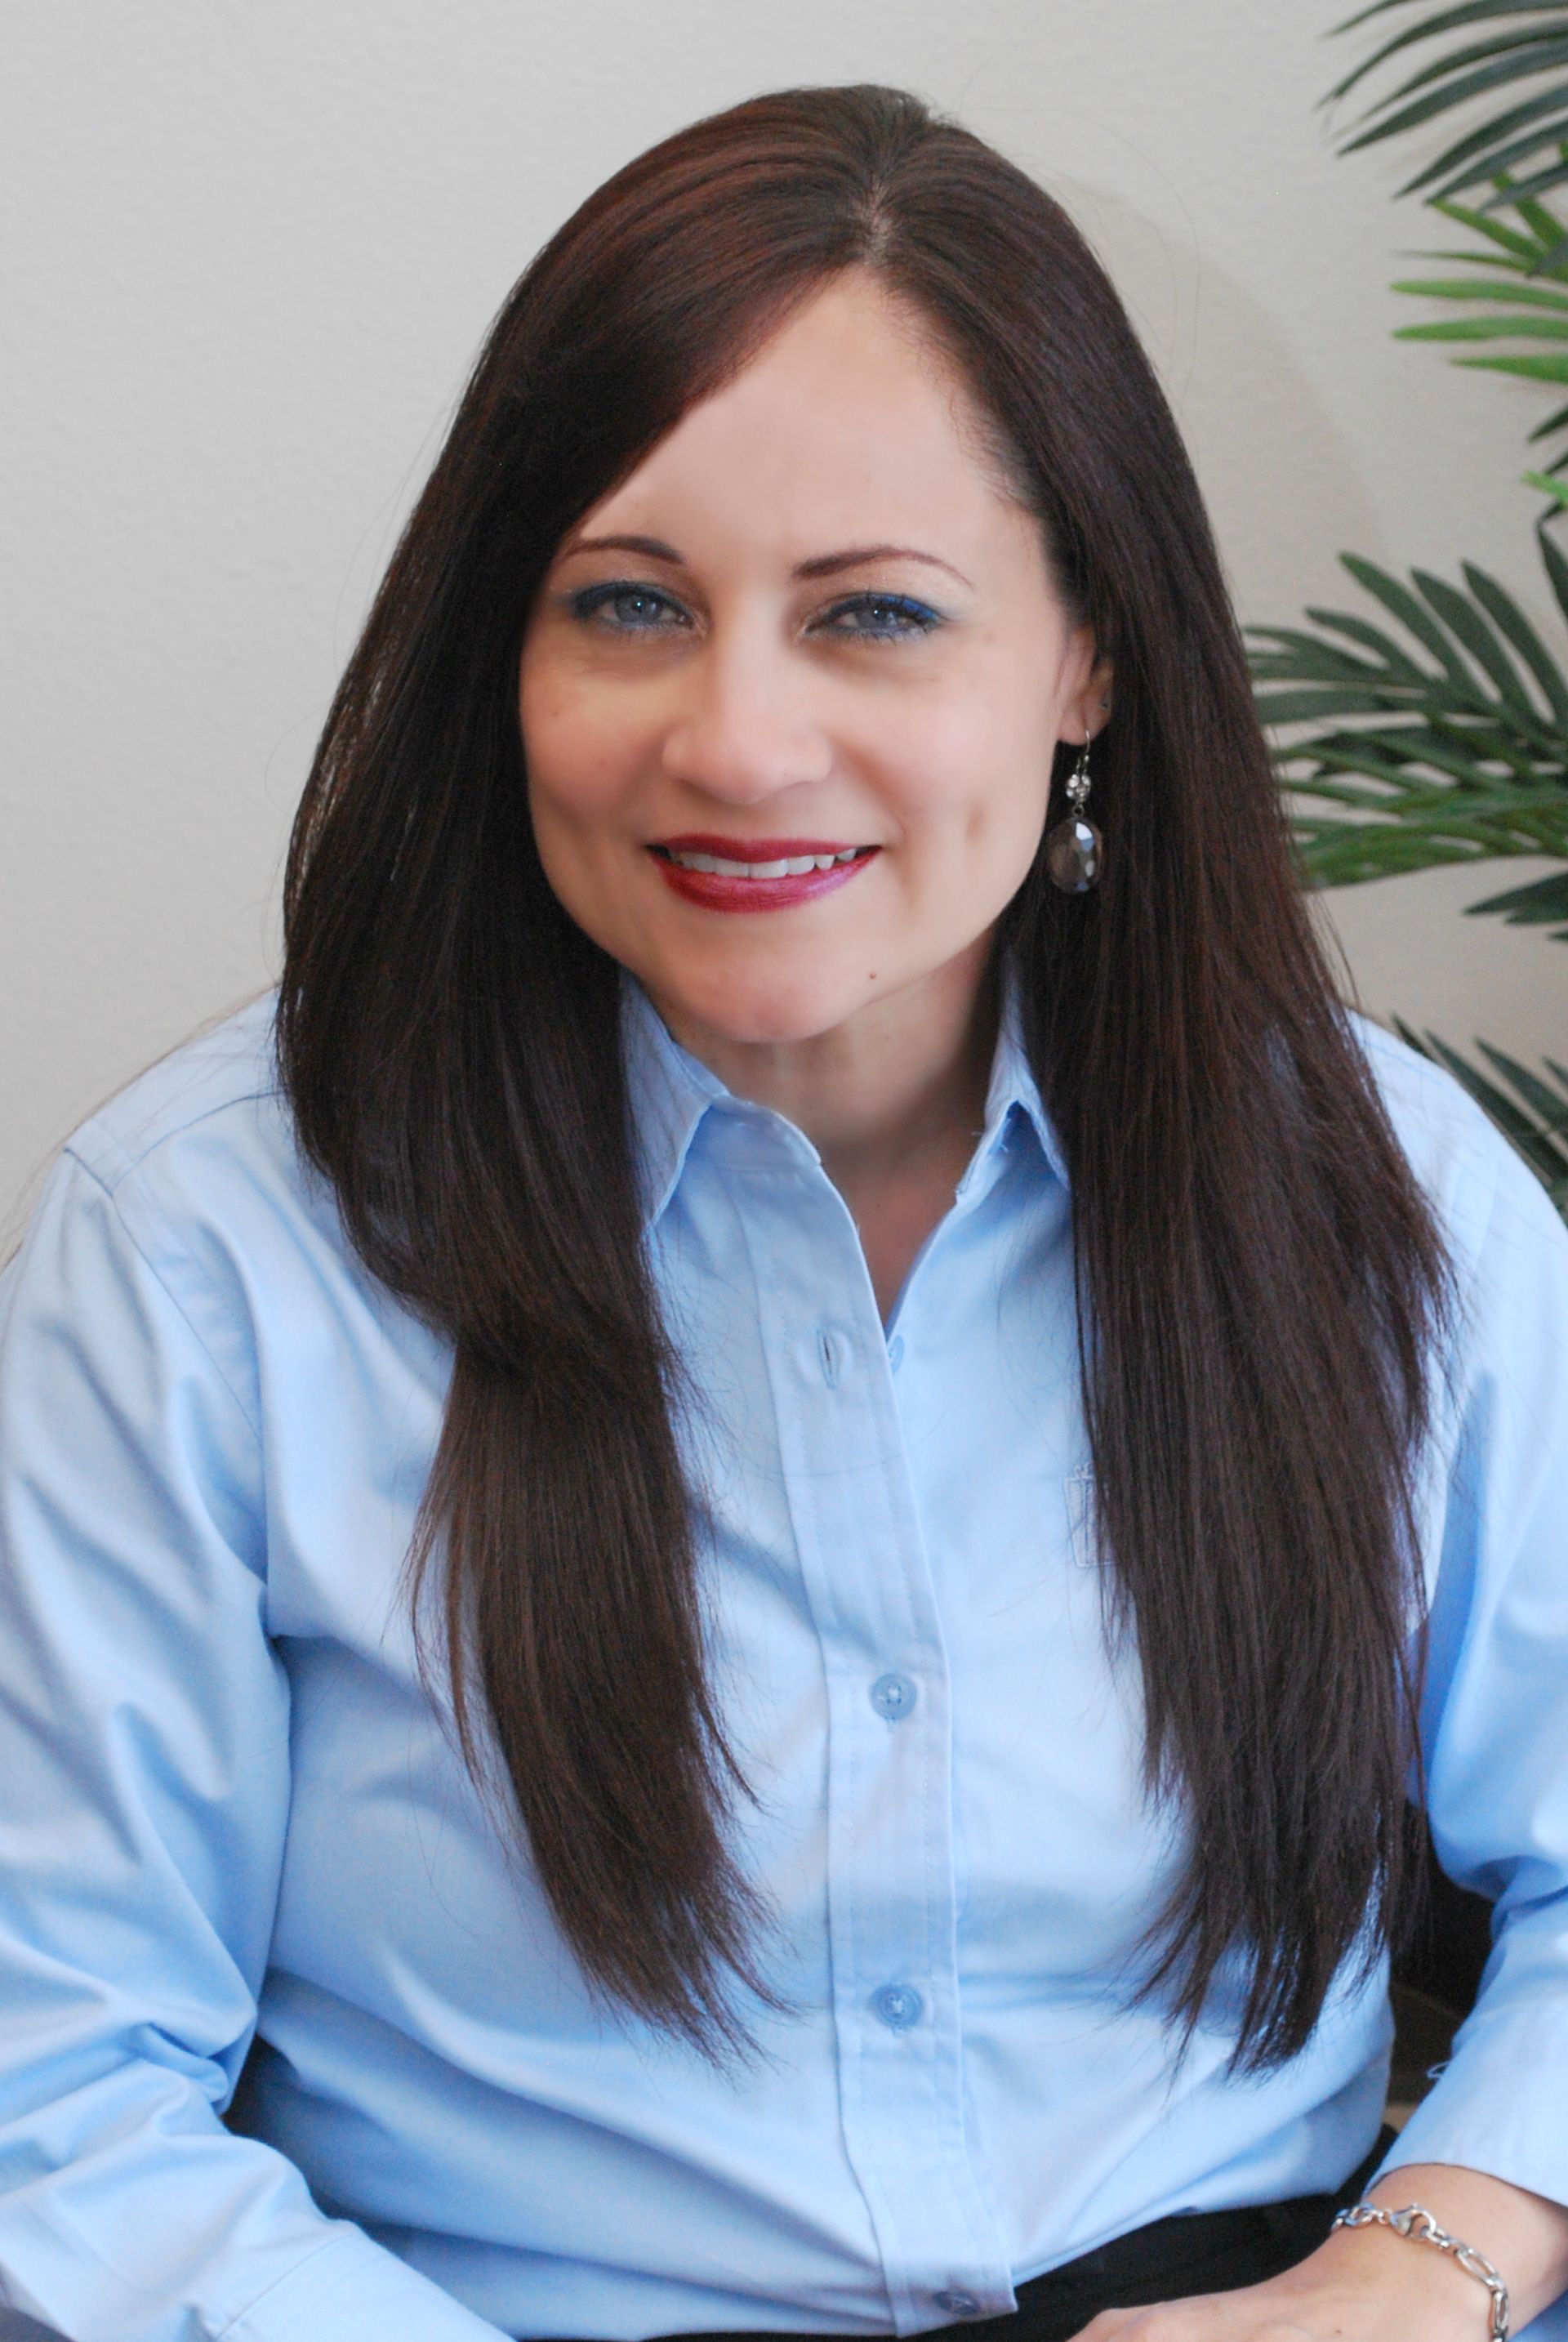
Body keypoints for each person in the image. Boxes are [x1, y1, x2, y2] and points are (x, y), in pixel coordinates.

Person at [2, 78, 1566, 2342]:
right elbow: (54, 2098)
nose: (735, 739)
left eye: (876, 617)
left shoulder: (1384, 1189)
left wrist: (1416, 2270)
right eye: (628, 604)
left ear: (1089, 659)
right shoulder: (193, 1255)